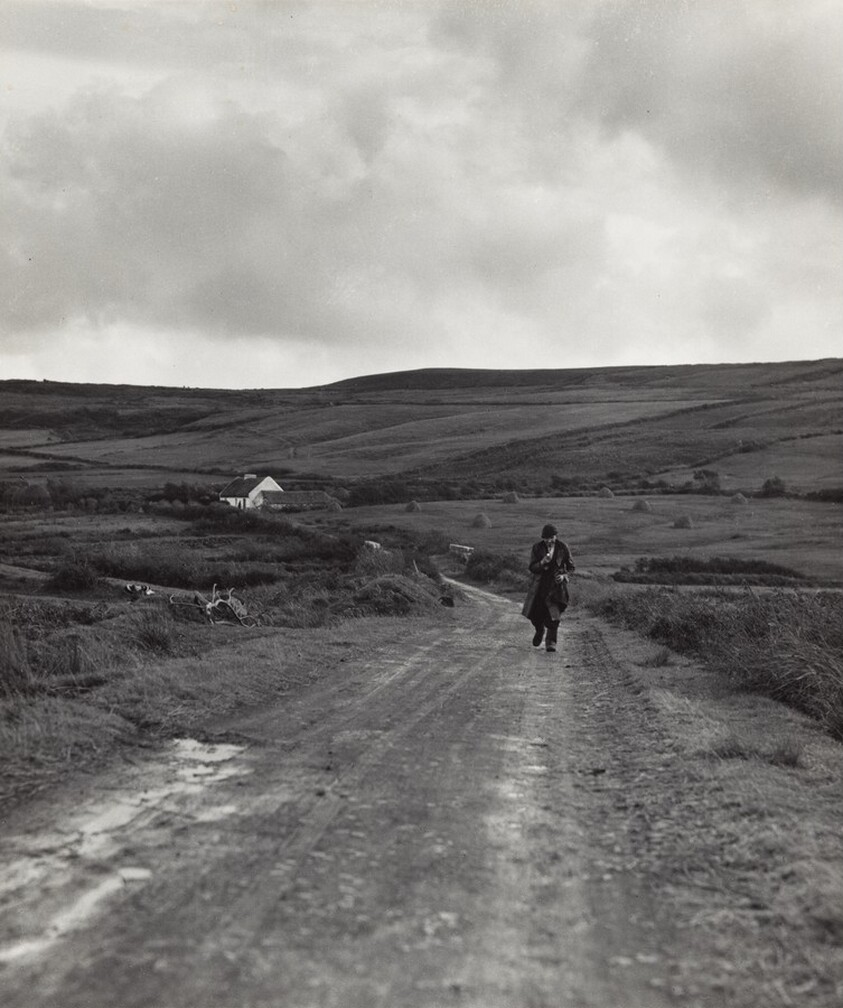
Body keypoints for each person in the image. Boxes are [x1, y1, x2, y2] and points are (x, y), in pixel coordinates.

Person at [521, 523, 575, 652]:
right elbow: (532, 567)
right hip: (539, 586)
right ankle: (539, 630)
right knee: (536, 616)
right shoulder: (537, 548)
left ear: (555, 536)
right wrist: (542, 562)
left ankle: (551, 642)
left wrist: (563, 576)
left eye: (551, 538)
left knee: (554, 617)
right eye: (546, 538)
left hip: (556, 588)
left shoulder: (563, 548)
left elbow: (571, 568)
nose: (549, 541)